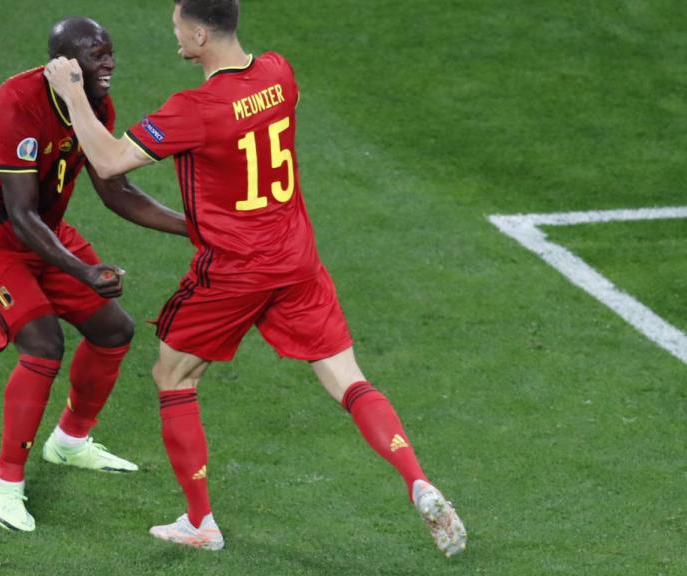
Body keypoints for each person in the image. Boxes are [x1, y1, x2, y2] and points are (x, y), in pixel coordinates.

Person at [43, 0, 467, 556]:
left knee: (174, 376)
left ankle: (200, 522)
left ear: (198, 32)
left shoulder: (192, 109)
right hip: (295, 258)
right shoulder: (279, 72)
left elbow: (108, 161)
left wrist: (73, 92)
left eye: (176, 27)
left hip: (236, 268)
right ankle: (417, 479)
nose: (172, 34)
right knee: (348, 378)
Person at [0, 17, 187, 534]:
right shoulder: (14, 106)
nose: (110, 64)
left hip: (45, 234)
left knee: (113, 330)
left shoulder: (91, 103)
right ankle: (4, 487)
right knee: (43, 343)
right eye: (98, 55)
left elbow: (115, 190)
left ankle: (69, 443)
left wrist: (194, 228)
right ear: (65, 63)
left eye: (110, 52)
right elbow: (21, 216)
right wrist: (82, 269)